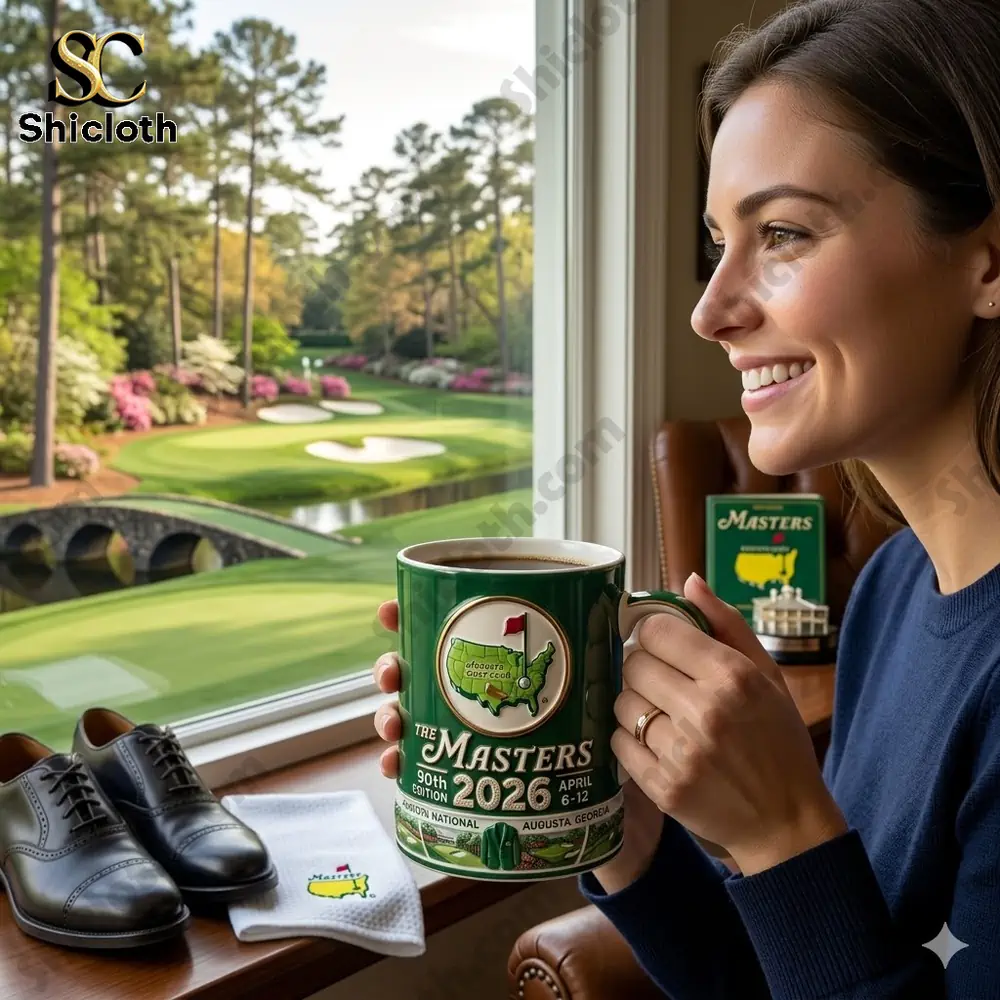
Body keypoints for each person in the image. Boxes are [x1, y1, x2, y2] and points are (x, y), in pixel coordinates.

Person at [369, 0, 1000, 995]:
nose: (710, 310)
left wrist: (785, 829)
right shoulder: (891, 592)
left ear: (988, 259)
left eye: (782, 232)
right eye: (719, 241)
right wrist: (630, 830)